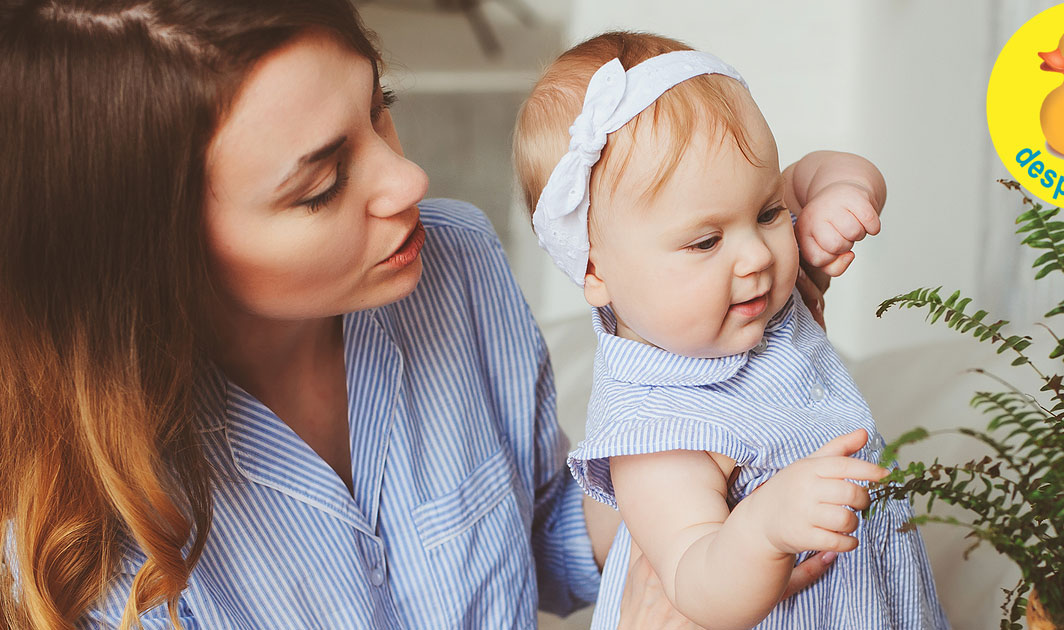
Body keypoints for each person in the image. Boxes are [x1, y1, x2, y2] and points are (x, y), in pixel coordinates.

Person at [0, 2, 837, 629]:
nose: (407, 182)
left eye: (378, 109)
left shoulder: (455, 262)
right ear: (152, 256)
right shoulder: (81, 517)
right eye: (321, 187)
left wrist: (724, 395)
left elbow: (549, 530)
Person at [514, 32, 950, 629]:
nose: (758, 256)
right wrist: (764, 526)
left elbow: (828, 167)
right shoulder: (657, 428)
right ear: (595, 268)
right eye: (705, 241)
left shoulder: (747, 276)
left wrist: (840, 194)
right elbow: (698, 585)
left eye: (768, 211)